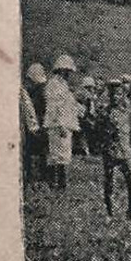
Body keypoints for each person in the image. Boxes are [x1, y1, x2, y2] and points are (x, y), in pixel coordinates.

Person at [99, 79, 131, 219]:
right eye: (112, 94)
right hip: (110, 150)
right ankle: (110, 213)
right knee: (109, 182)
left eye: (118, 94)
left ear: (122, 95)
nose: (115, 97)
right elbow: (98, 131)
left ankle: (130, 212)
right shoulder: (104, 112)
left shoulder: (127, 112)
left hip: (125, 150)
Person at [42, 54, 82, 189]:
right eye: (68, 72)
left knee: (63, 153)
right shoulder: (54, 85)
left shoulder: (62, 84)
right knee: (57, 154)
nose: (69, 74)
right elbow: (55, 107)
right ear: (62, 70)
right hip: (58, 124)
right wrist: (60, 125)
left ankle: (60, 182)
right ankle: (57, 182)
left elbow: (67, 104)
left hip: (64, 123)